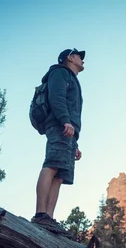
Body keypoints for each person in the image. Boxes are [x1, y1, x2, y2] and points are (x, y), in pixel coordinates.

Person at [31, 48, 85, 237]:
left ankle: (49, 218)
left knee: (60, 174)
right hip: (60, 125)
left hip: (69, 132)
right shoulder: (60, 73)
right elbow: (57, 98)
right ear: (70, 57)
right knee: (52, 165)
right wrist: (64, 121)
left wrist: (75, 143)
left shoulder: (71, 78)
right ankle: (40, 214)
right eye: (80, 55)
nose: (82, 59)